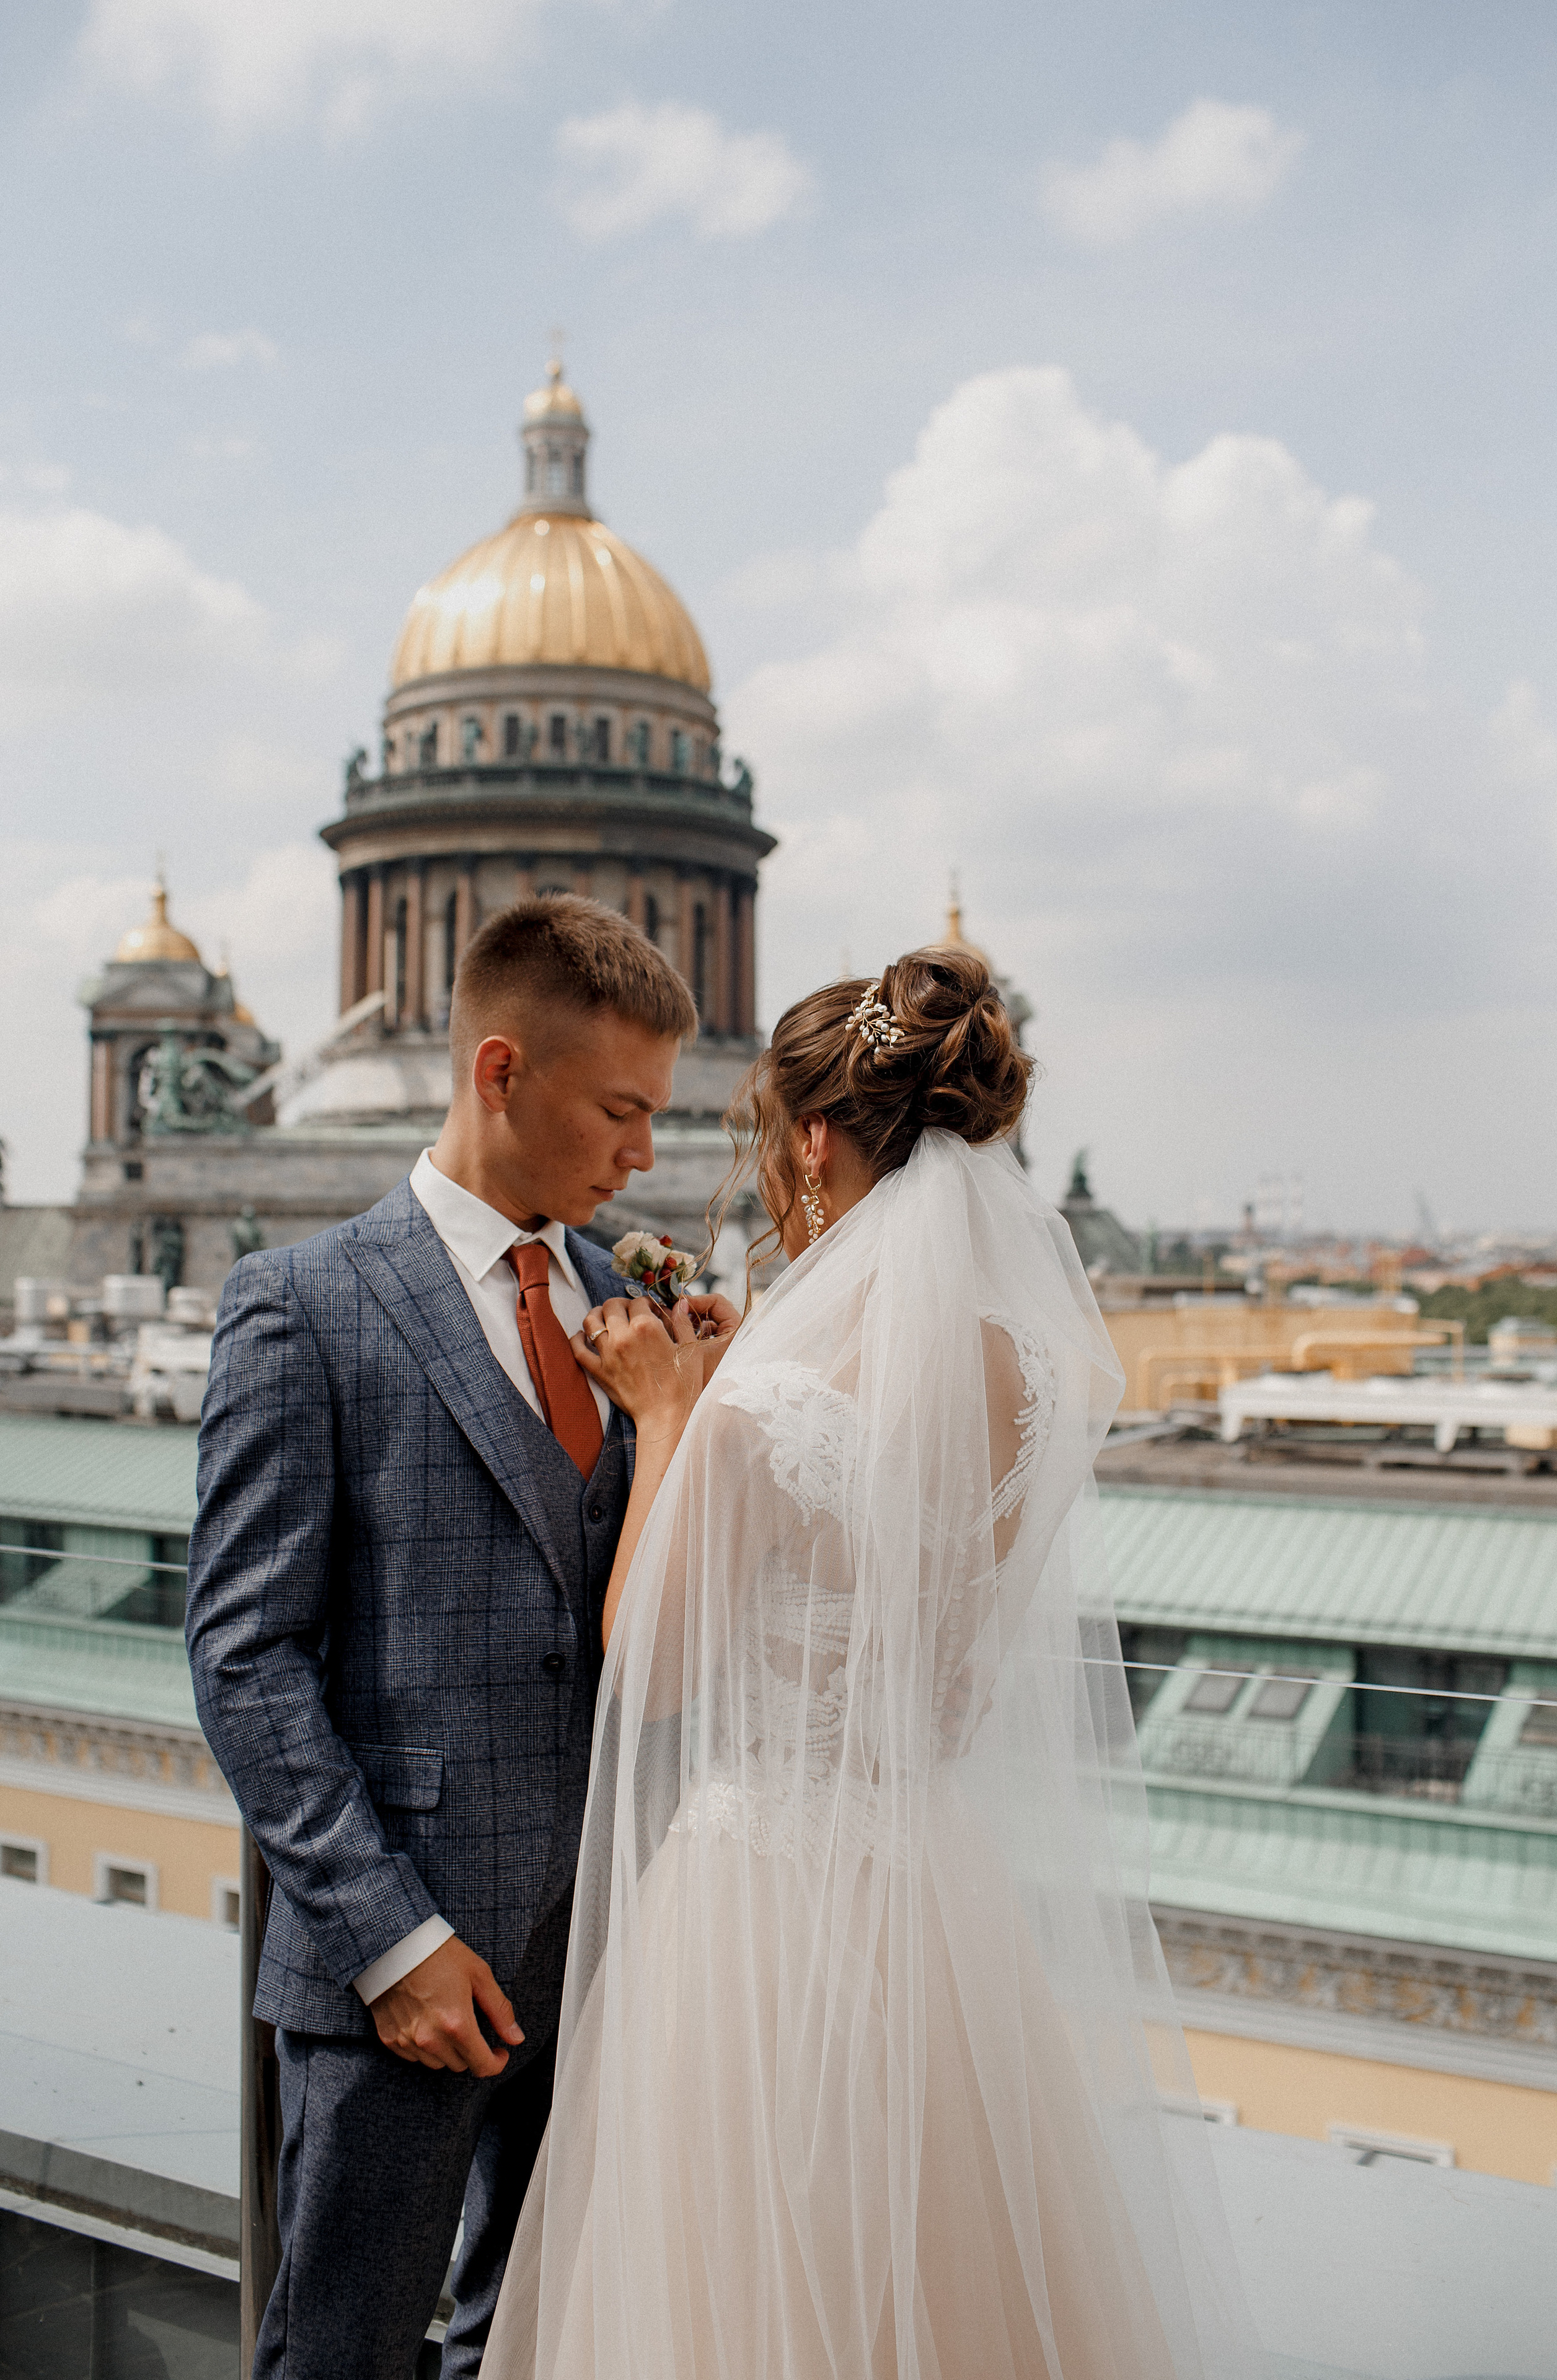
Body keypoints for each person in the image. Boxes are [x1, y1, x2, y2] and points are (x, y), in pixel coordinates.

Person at [482, 944, 1258, 2380]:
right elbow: (947, 1658)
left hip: (759, 1899)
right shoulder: (1036, 1383)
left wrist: (670, 1413)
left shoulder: (766, 1396)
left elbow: (650, 1664)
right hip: (925, 1890)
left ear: (814, 1140)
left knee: (743, 2284)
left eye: (764, 1136)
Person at [185, 897, 736, 2380]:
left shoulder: (631, 1306)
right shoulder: (299, 1305)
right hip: (403, 1979)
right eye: (619, 1110)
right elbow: (244, 1658)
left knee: (541, 2349)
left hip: (611, 1959)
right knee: (342, 2356)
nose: (644, 1153)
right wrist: (392, 1942)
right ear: (500, 1071)